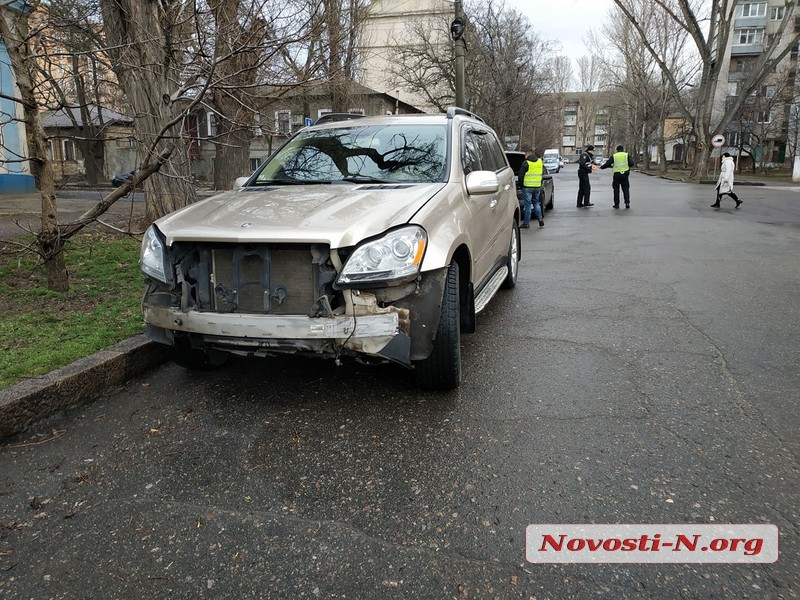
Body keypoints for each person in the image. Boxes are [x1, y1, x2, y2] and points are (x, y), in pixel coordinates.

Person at [600, 144, 635, 208]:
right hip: (625, 174)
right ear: (623, 150)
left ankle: (617, 204)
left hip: (617, 174)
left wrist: (601, 167)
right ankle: (627, 203)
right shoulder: (626, 155)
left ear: (617, 150)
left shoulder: (614, 156)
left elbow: (608, 163)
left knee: (616, 189)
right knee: (625, 189)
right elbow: (632, 164)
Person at [518, 148, 545, 228]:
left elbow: (520, 176)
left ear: (527, 154)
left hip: (527, 187)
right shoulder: (540, 161)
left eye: (525, 155)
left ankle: (526, 223)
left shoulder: (526, 163)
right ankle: (540, 219)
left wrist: (521, 185)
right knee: (536, 203)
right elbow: (542, 174)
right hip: (537, 186)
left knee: (528, 205)